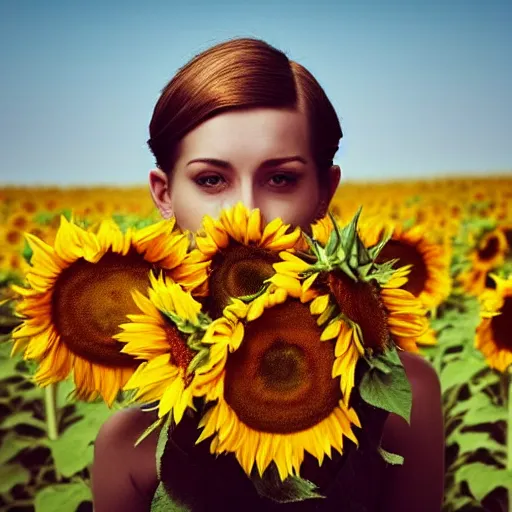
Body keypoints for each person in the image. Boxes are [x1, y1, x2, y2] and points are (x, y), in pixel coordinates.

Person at [91, 37, 445, 511]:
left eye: (280, 179)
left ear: (324, 191)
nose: (247, 215)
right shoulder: (130, 443)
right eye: (211, 180)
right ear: (164, 194)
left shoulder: (404, 401)